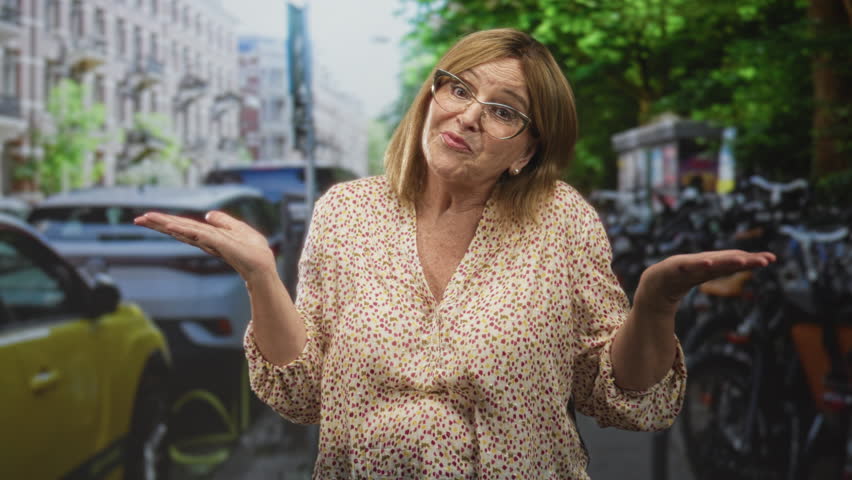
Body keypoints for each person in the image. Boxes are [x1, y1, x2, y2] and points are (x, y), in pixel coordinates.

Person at [134, 28, 775, 479]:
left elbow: (620, 393)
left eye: (503, 111)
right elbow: (304, 394)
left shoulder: (561, 221)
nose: (468, 116)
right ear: (431, 97)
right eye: (459, 89)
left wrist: (655, 304)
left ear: (526, 150)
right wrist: (260, 277)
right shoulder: (345, 212)